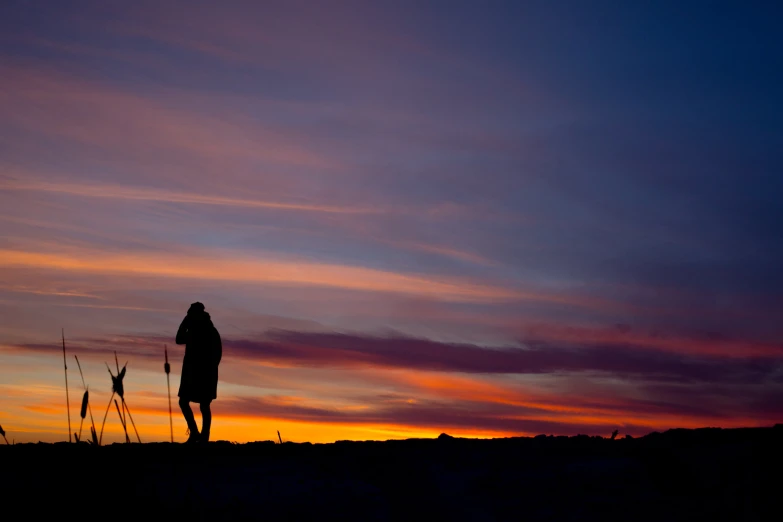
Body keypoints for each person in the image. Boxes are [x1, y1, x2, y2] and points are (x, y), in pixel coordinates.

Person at [176, 302, 222, 443]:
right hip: (190, 372)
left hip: (205, 373)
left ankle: (204, 436)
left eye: (190, 315)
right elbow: (179, 339)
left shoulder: (210, 331)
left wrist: (210, 370)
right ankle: (195, 433)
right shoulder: (192, 331)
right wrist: (185, 323)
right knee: (184, 402)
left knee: (204, 405)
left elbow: (217, 354)